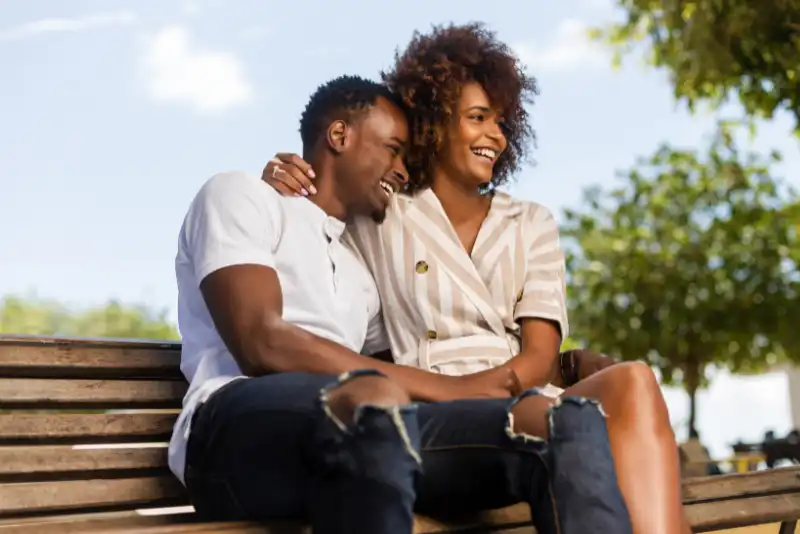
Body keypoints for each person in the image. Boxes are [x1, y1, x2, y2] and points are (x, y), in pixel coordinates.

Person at [262, 23, 691, 534]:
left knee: (634, 379)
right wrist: (285, 176)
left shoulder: (531, 222)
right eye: (478, 117)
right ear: (434, 122)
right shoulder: (383, 210)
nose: (496, 135)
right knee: (560, 428)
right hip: (429, 413)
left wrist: (502, 385)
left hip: (520, 395)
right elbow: (325, 197)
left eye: (502, 122)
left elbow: (538, 355)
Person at [171, 75, 633, 533]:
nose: (403, 170)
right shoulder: (241, 194)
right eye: (393, 149)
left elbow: (417, 346)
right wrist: (449, 390)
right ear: (339, 135)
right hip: (230, 435)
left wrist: (561, 368)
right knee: (374, 400)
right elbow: (261, 341)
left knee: (563, 423)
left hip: (375, 436)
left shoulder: (358, 266)